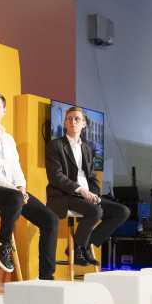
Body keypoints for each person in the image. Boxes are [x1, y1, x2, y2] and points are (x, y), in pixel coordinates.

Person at [0, 92, 60, 280]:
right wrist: (13, 188)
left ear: (4, 111)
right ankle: (4, 244)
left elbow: (15, 167)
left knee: (51, 220)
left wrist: (21, 187)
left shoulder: (8, 139)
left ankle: (46, 278)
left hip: (10, 192)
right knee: (14, 197)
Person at [45, 106, 129, 266]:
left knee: (122, 212)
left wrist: (96, 195)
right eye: (69, 119)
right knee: (95, 211)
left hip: (85, 196)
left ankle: (79, 246)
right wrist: (81, 190)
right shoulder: (55, 146)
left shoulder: (86, 148)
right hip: (64, 196)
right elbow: (56, 176)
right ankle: (79, 249)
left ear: (84, 124)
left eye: (77, 119)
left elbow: (92, 177)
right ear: (65, 123)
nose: (73, 122)